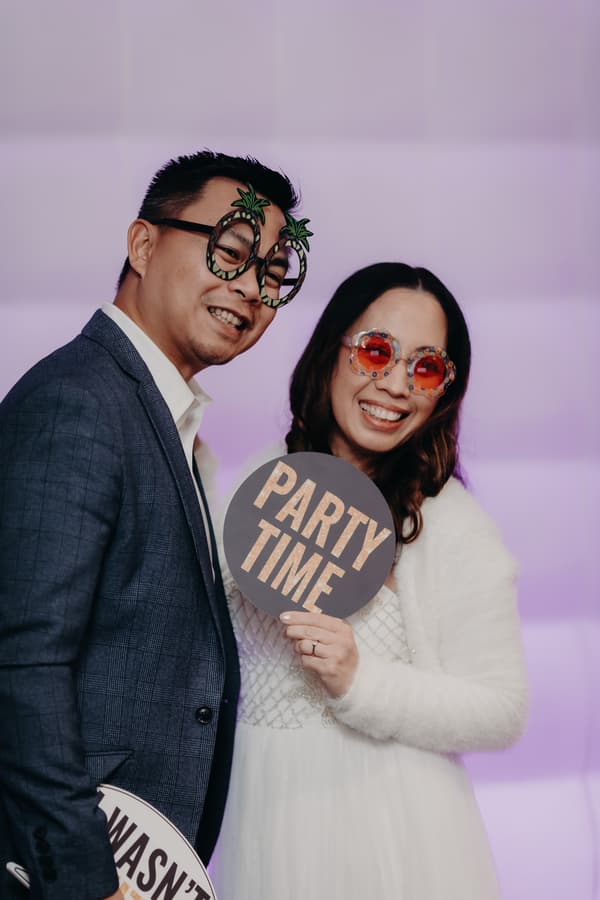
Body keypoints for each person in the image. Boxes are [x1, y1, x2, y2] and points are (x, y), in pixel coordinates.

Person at [0, 150, 313, 900]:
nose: (251, 290)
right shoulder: (79, 403)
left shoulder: (161, 417)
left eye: (272, 275)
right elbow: (20, 663)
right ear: (143, 245)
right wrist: (84, 881)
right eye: (231, 253)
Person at [211, 262, 528, 899]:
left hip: (392, 837)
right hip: (258, 820)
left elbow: (502, 709)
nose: (396, 384)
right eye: (377, 351)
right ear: (332, 349)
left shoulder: (448, 522)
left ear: (444, 390)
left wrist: (360, 680)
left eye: (426, 366)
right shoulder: (263, 478)